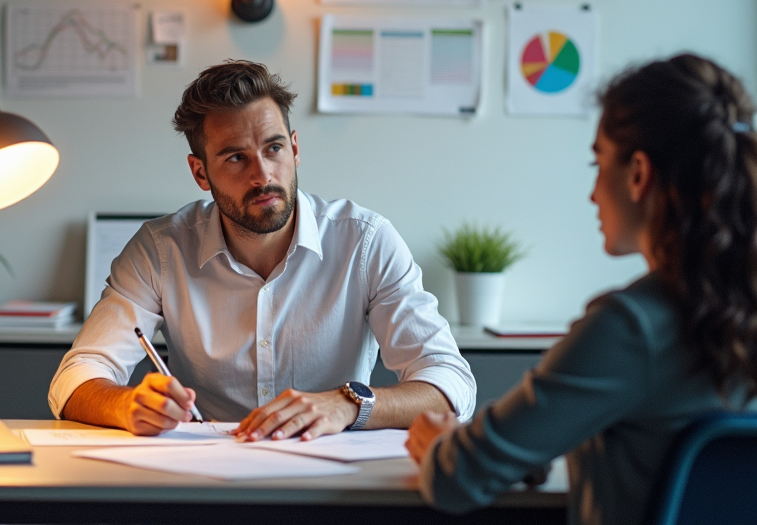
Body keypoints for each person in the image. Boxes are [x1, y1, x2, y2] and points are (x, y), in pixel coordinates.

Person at [407, 54, 757, 524]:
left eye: (598, 163)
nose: (593, 192)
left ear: (638, 174)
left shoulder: (630, 328)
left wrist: (439, 443)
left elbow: (459, 478)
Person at [49, 60, 475, 439]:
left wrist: (349, 404)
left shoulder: (365, 242)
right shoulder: (160, 249)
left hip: (331, 478)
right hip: (206, 480)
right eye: (235, 158)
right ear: (200, 172)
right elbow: (74, 379)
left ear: (294, 148)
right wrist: (125, 405)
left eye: (273, 148)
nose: (262, 175)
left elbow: (451, 385)